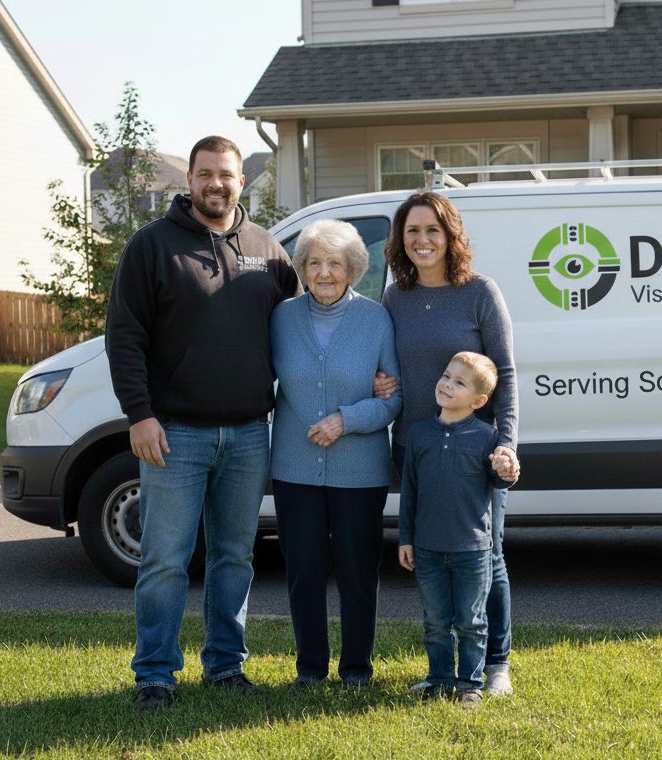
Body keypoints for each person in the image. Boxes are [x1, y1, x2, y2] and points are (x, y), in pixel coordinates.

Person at [106, 135, 301, 714]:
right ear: (188, 180)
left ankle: (224, 665)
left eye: (228, 174)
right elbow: (125, 336)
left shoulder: (267, 248)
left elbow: (305, 318)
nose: (217, 183)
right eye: (206, 173)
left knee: (234, 556)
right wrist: (139, 415)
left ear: (243, 181)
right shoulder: (151, 246)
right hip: (175, 433)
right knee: (165, 558)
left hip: (247, 432)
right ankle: (156, 674)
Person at [376, 190, 521, 696]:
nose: (422, 240)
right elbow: (386, 362)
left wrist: (505, 445)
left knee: (490, 555)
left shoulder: (480, 292)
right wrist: (380, 382)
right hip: (416, 446)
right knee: (430, 556)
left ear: (450, 235)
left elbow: (502, 373)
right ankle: (443, 671)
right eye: (412, 231)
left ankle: (496, 664)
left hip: (475, 454)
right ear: (401, 239)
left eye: (432, 230)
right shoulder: (395, 295)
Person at [269, 219, 401, 689]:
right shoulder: (281, 317)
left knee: (357, 573)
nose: (324, 272)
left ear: (353, 269)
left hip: (360, 470)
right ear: (302, 268)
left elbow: (393, 397)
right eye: (315, 262)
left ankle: (356, 670)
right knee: (303, 571)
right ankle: (309, 668)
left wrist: (347, 419)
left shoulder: (375, 319)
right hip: (294, 468)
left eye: (336, 263)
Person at [399, 352, 518, 707]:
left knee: (470, 621)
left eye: (460, 382)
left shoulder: (487, 438)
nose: (447, 384)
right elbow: (410, 493)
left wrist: (507, 469)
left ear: (479, 401)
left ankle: (470, 685)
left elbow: (500, 482)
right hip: (428, 549)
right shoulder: (419, 434)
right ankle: (438, 678)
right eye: (447, 376)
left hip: (473, 551)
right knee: (435, 621)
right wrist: (406, 539)